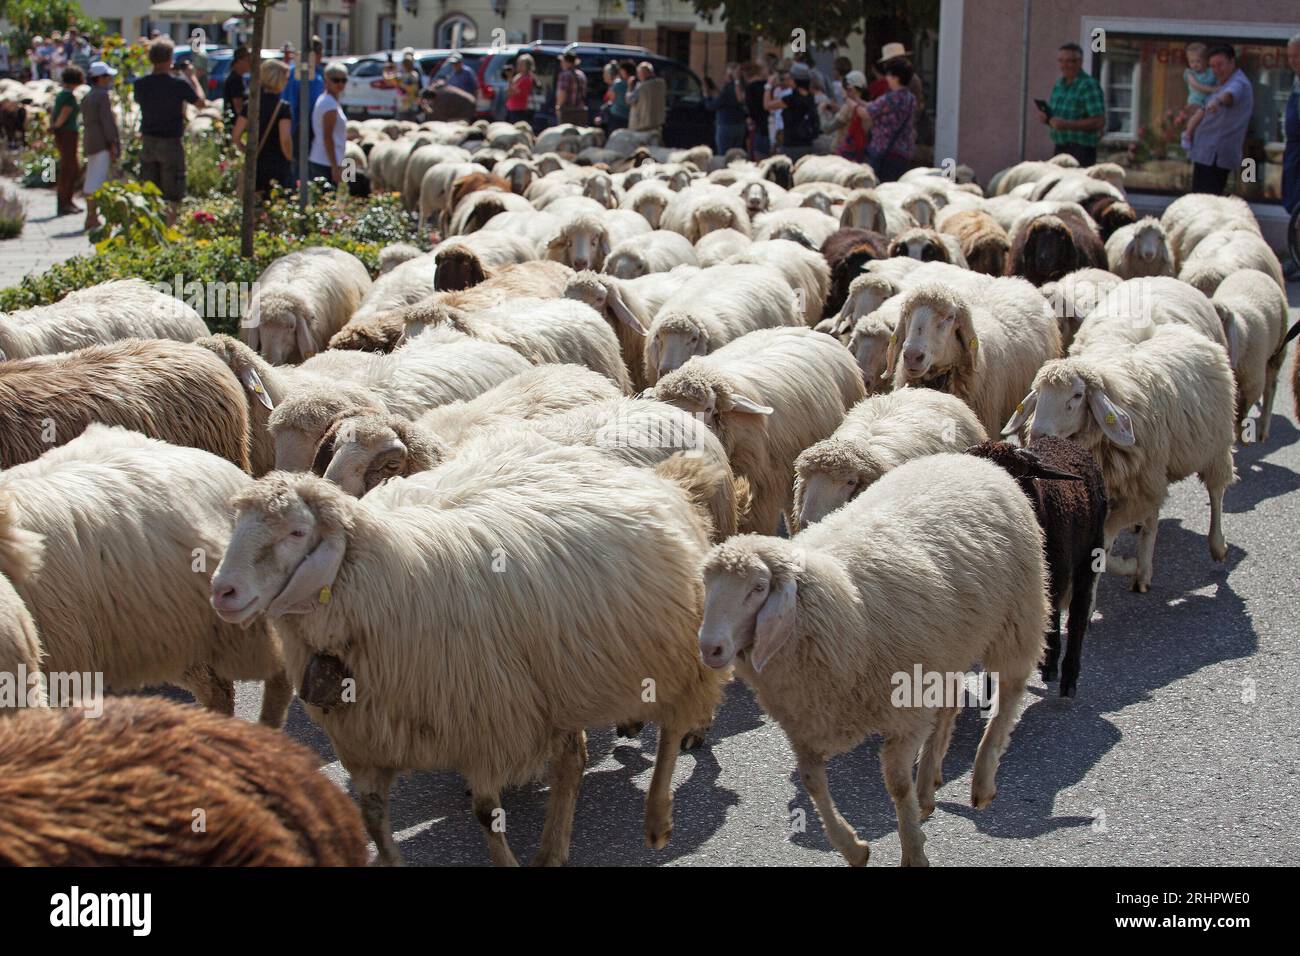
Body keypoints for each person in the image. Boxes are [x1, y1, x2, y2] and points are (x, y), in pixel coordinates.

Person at [134, 38, 204, 226]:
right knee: (173, 190)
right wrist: (191, 77)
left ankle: (151, 228)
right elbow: (201, 103)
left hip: (148, 140)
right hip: (171, 142)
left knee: (150, 189)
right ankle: (169, 228)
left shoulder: (140, 84)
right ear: (169, 58)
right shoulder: (178, 85)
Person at [1186, 44, 1253, 195]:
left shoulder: (1238, 82)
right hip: (1205, 153)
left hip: (1216, 156)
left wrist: (1217, 102)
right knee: (1198, 201)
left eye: (1220, 65)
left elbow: (1228, 96)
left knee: (1206, 205)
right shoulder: (1221, 83)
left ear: (1232, 62)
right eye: (1212, 66)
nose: (1216, 70)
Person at [1038, 42, 1105, 166]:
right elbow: (1057, 118)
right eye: (1061, 61)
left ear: (1079, 62)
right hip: (1060, 147)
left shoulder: (1088, 85)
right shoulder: (1059, 84)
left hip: (1081, 150)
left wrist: (1068, 125)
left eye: (1070, 61)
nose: (1065, 65)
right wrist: (1047, 119)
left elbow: (1099, 121)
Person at [234, 59, 294, 193]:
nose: (287, 82)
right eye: (285, 79)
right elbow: (285, 140)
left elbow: (236, 135)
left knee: (254, 205)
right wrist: (290, 158)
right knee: (273, 206)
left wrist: (245, 150)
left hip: (255, 162)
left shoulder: (250, 104)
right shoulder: (282, 108)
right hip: (277, 164)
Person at [862, 58, 918, 181]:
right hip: (904, 152)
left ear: (896, 77)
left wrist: (852, 103)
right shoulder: (911, 98)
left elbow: (867, 113)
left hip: (884, 152)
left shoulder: (890, 98)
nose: (886, 78)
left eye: (888, 74)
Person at [80, 61, 120, 231]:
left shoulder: (88, 96)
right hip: (101, 142)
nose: (109, 79)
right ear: (100, 78)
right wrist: (113, 143)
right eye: (107, 76)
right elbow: (107, 121)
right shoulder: (102, 96)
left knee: (92, 177)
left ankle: (92, 215)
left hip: (91, 140)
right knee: (96, 179)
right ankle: (91, 216)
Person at [308, 62, 349, 188]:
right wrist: (334, 167)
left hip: (326, 159)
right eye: (336, 80)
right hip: (325, 162)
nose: (340, 84)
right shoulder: (329, 104)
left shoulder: (329, 101)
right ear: (327, 81)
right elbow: (327, 136)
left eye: (344, 80)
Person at [51, 66, 83, 216]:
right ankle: (65, 203)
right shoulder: (69, 98)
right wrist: (56, 127)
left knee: (69, 168)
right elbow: (63, 115)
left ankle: (66, 201)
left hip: (64, 134)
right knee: (70, 169)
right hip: (67, 133)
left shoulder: (60, 95)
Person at [1180, 42, 1219, 151]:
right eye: (1191, 61)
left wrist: (1219, 89)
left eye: (1198, 61)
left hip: (1208, 101)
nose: (1194, 64)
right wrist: (1213, 90)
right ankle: (1187, 134)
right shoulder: (1189, 73)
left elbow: (1219, 83)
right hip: (1196, 100)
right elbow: (1196, 86)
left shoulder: (1211, 72)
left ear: (1206, 60)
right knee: (1200, 112)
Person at [1284, 34, 1300, 280]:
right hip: (1293, 150)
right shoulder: (1296, 82)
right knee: (1293, 202)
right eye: (1290, 56)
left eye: (1298, 56)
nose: (1293, 61)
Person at [705, 63, 746, 155]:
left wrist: (707, 97)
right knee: (737, 154)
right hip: (740, 124)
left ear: (729, 75)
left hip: (726, 125)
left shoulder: (727, 89)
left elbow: (712, 106)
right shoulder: (743, 87)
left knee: (724, 154)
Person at [780, 63, 819, 160]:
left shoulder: (790, 99)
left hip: (791, 145)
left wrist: (768, 86)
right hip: (807, 143)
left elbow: (767, 105)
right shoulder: (811, 97)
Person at [830, 69, 870, 161]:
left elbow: (829, 128)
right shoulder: (868, 107)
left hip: (842, 152)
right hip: (860, 153)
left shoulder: (848, 107)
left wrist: (821, 112)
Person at [626, 60, 666, 138]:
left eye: (638, 73)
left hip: (642, 125)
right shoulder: (661, 84)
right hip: (656, 124)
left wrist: (629, 87)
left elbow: (629, 100)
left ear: (642, 74)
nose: (637, 76)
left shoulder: (641, 87)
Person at [742, 62, 769, 157]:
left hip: (758, 126)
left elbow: (750, 109)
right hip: (769, 124)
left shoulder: (750, 88)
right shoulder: (767, 86)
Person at [555, 52, 588, 127]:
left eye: (562, 61)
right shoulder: (582, 75)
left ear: (567, 62)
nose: (561, 64)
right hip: (580, 110)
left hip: (567, 112)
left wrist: (558, 107)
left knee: (567, 136)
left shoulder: (564, 75)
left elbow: (562, 93)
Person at [222, 47, 250, 135]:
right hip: (235, 126)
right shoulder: (235, 80)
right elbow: (238, 107)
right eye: (248, 60)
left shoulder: (239, 78)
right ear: (239, 61)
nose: (250, 63)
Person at [505, 53, 535, 124]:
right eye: (518, 63)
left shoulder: (527, 79)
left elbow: (513, 92)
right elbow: (508, 91)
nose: (519, 66)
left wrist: (509, 78)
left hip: (519, 110)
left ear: (528, 66)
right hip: (511, 108)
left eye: (522, 64)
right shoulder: (518, 76)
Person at [396, 50, 422, 121]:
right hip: (402, 103)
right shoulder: (401, 75)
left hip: (410, 103)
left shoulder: (413, 75)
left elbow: (412, 88)